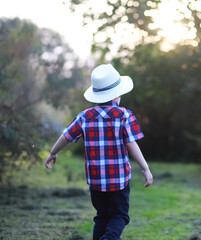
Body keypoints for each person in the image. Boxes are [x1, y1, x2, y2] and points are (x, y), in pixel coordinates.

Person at [44, 63, 153, 240]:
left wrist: (53, 152)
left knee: (102, 217)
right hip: (119, 180)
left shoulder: (84, 116)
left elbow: (66, 136)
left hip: (96, 180)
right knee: (120, 215)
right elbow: (131, 144)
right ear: (117, 95)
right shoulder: (124, 115)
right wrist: (145, 168)